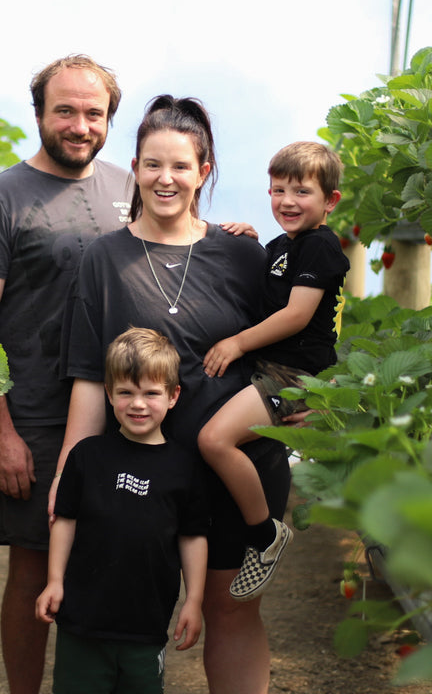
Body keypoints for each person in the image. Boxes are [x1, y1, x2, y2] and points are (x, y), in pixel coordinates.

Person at [57, 95, 288, 694]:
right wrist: (68, 475)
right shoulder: (103, 258)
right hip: (140, 480)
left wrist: (304, 412)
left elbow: (290, 347)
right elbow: (88, 376)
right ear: (134, 167)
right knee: (122, 619)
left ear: (203, 172)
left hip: (241, 466)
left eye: (181, 166)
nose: (166, 179)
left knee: (232, 611)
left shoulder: (242, 254)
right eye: (153, 165)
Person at [0, 54, 130, 694]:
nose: (79, 125)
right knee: (32, 570)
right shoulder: (1, 198)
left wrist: (230, 233)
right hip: (33, 415)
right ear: (39, 115)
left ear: (109, 118)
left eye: (94, 112)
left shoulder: (127, 186)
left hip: (121, 414)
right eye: (66, 110)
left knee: (110, 561)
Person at [197, 140, 348, 602]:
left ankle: (265, 533)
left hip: (292, 376)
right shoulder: (285, 244)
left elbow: (296, 315)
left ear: (330, 201)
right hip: (271, 370)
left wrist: (236, 342)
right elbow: (272, 285)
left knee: (213, 439)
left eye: (301, 192)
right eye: (277, 189)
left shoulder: (322, 245)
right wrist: (251, 240)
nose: (286, 201)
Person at [36, 327, 209, 694]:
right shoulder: (86, 457)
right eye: (126, 392)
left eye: (151, 393)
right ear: (108, 393)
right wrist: (54, 580)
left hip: (145, 627)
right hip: (82, 622)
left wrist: (193, 600)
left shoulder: (185, 467)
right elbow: (64, 520)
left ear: (173, 395)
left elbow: (193, 537)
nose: (138, 404)